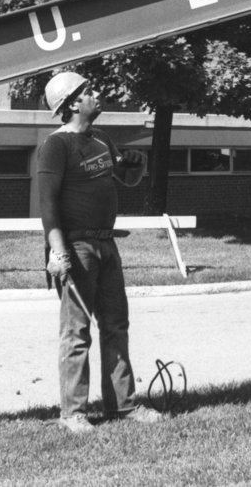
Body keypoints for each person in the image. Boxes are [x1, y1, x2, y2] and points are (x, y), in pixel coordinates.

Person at [37, 68, 161, 434]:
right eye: (89, 91)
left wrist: (137, 166)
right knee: (77, 333)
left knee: (116, 324)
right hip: (76, 247)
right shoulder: (56, 146)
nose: (97, 94)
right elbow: (47, 205)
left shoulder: (102, 139)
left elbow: (126, 179)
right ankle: (73, 412)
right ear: (73, 103)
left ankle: (122, 406)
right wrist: (57, 252)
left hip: (106, 244)